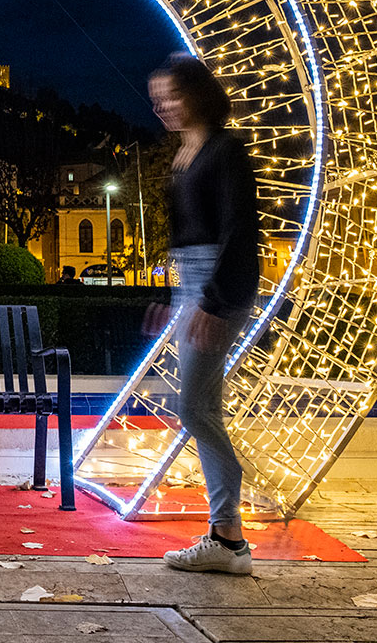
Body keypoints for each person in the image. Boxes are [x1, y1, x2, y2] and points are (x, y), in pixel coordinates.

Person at [140, 53, 260, 576]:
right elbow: (184, 237)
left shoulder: (225, 150)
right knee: (201, 406)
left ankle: (228, 535)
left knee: (194, 408)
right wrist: (173, 297)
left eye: (171, 96)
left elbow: (239, 230)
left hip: (217, 283)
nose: (162, 107)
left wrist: (212, 301)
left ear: (197, 94)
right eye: (156, 100)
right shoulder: (184, 153)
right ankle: (227, 536)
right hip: (192, 282)